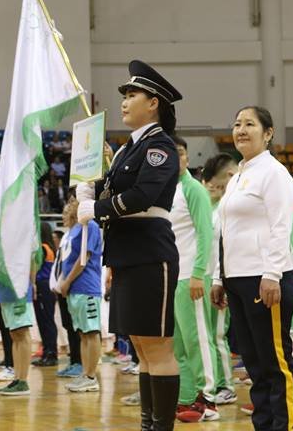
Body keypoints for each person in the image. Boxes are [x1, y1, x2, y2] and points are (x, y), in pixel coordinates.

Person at [76, 60, 183, 431]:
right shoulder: (126, 150)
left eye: (132, 94)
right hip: (126, 253)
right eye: (124, 94)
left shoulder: (160, 146)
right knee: (141, 346)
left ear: (153, 103)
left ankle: (160, 427)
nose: (124, 101)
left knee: (157, 346)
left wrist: (96, 208)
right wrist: (88, 187)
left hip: (151, 253)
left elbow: (141, 195)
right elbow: (111, 189)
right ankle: (148, 424)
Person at [210, 106, 293, 431]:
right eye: (237, 124)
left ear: (268, 133)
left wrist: (272, 274)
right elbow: (225, 231)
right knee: (254, 363)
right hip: (237, 279)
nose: (241, 130)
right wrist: (219, 277)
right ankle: (264, 424)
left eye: (250, 124)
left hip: (266, 279)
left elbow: (280, 226)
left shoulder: (274, 173)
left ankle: (285, 425)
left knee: (275, 360)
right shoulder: (238, 177)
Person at [165, 135, 219, 422]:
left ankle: (207, 397)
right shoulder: (164, 190)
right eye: (171, 153)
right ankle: (186, 396)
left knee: (198, 339)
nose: (177, 158)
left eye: (181, 153)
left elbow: (205, 234)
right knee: (178, 343)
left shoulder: (193, 189)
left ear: (187, 158)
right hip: (172, 277)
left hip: (191, 276)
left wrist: (199, 273)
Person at [200, 153, 240, 406]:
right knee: (206, 336)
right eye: (210, 185)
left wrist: (221, 278)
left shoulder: (230, 206)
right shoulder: (208, 206)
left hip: (221, 277)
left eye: (217, 185)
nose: (214, 189)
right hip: (203, 276)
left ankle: (227, 385)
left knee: (217, 335)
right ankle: (212, 381)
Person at [56, 198, 104, 395]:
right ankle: (85, 374)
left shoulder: (89, 226)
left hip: (86, 287)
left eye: (67, 209)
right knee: (83, 333)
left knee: (91, 332)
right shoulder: (73, 230)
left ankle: (91, 377)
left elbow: (84, 258)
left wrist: (67, 281)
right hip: (74, 289)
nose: (64, 213)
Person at [53, 208, 84, 379]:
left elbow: (80, 260)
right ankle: (74, 361)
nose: (63, 216)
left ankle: (80, 363)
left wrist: (67, 281)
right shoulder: (67, 235)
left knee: (77, 327)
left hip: (73, 286)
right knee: (68, 325)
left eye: (66, 213)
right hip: (63, 286)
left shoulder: (80, 231)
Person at [32, 221, 60, 368]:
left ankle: (51, 353)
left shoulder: (43, 248)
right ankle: (47, 351)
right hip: (45, 287)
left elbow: (35, 268)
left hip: (43, 286)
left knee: (46, 321)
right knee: (44, 321)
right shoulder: (49, 247)